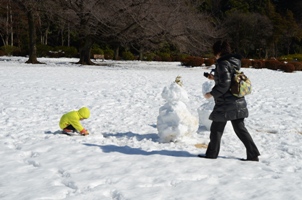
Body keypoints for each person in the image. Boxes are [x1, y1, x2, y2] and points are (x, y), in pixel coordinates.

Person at [199, 40, 260, 161]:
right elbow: (229, 78)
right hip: (237, 100)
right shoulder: (234, 61)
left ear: (218, 51)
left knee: (216, 128)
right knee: (240, 129)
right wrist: (215, 77)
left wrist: (210, 94)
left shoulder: (222, 63)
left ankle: (211, 154)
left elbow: (224, 85)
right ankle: (253, 153)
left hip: (226, 102)